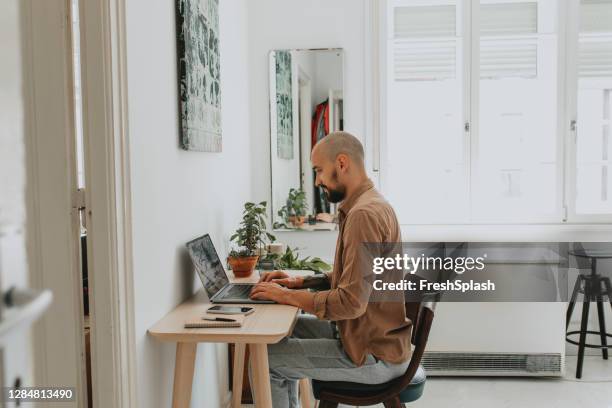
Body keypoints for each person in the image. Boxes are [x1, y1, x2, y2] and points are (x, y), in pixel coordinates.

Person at [250, 131, 412, 407]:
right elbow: (352, 280)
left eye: (319, 171)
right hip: (369, 338)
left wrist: (285, 296)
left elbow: (350, 302)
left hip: (372, 355)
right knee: (284, 333)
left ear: (341, 163)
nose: (317, 181)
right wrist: (298, 284)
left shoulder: (364, 216)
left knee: (266, 360)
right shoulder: (369, 204)